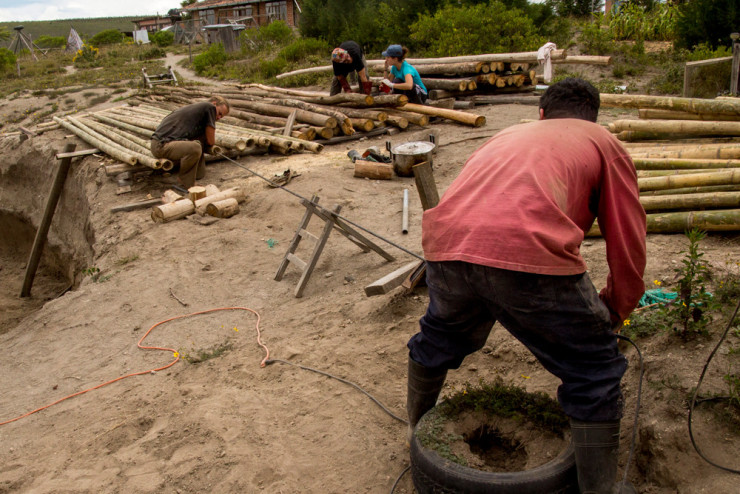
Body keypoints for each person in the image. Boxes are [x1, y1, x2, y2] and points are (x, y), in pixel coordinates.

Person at [406, 78, 646, 494]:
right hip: (529, 253)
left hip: (446, 245)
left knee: (441, 336)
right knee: (595, 372)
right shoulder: (601, 140)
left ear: (542, 113)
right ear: (592, 116)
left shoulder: (509, 133)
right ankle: (599, 490)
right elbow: (627, 237)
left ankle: (415, 435)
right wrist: (617, 307)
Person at [150, 95, 230, 188]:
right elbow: (211, 141)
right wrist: (208, 143)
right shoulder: (209, 107)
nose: (219, 117)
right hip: (161, 145)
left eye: (222, 116)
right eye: (219, 113)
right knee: (195, 147)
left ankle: (190, 175)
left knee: (200, 174)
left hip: (164, 144)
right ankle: (185, 182)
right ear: (214, 104)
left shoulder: (197, 114)